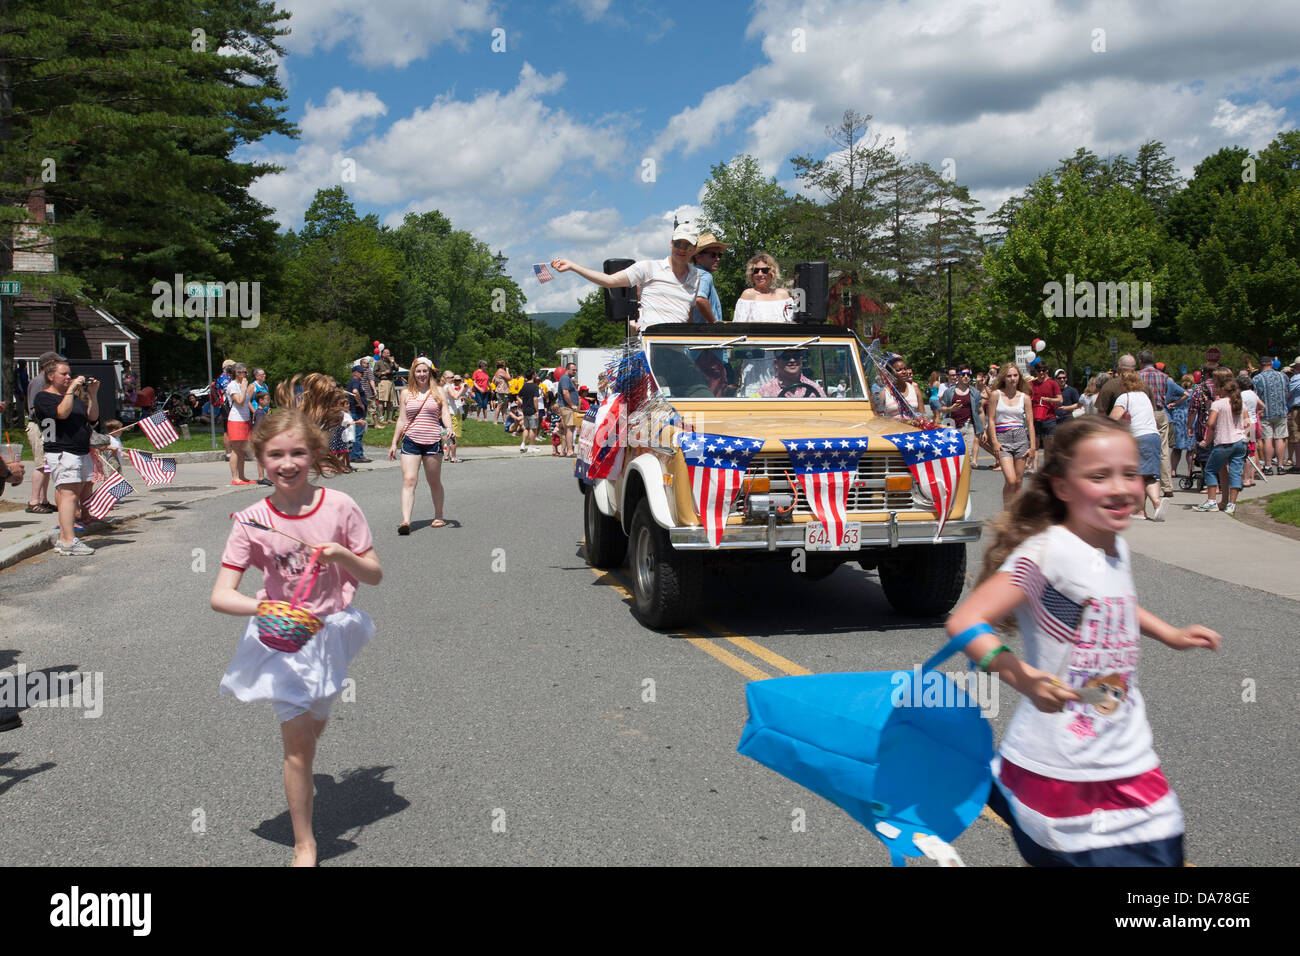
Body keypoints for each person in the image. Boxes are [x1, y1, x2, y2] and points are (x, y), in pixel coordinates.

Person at [944, 415, 1220, 866]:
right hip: (1061, 764)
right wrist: (1023, 677)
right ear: (1062, 488)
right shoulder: (1047, 551)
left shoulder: (1115, 545)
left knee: (1164, 846)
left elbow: (1110, 603)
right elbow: (966, 621)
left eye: (1130, 473)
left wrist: (1169, 633)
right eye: (1099, 476)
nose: (1120, 488)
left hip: (1125, 747)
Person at [211, 409, 382, 868]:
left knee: (317, 719)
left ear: (314, 455)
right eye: (275, 455)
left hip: (332, 632)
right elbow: (221, 597)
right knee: (298, 742)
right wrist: (266, 607)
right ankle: (305, 843)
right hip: (282, 640)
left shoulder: (341, 506)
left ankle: (307, 749)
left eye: (297, 453)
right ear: (260, 458)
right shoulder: (250, 519)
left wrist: (343, 554)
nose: (287, 464)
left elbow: (375, 575)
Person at [550, 224, 707, 331]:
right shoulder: (648, 268)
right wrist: (573, 266)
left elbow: (688, 316)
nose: (682, 249)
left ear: (694, 249)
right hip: (651, 346)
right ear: (671, 244)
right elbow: (610, 281)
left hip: (678, 347)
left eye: (687, 245)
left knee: (699, 382)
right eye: (678, 243)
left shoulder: (696, 276)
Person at [34, 357, 99, 556]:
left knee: (72, 494)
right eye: (64, 374)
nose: (68, 377)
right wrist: (71, 389)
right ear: (50, 376)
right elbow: (61, 413)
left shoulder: (75, 399)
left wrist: (93, 395)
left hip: (79, 451)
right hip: (62, 452)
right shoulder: (43, 398)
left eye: (69, 374)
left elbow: (93, 418)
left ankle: (64, 538)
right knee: (68, 495)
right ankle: (69, 540)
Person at [388, 357, 452, 534]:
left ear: (430, 372)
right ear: (413, 373)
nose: (421, 374)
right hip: (411, 441)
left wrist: (449, 428)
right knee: (409, 480)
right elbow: (402, 419)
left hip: (432, 440)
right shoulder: (406, 393)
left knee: (434, 481)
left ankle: (438, 515)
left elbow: (445, 412)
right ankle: (406, 521)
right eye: (418, 371)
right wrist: (394, 443)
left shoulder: (438, 391)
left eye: (424, 371)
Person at [1109, 370, 1164, 520]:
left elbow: (1113, 419)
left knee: (1138, 476)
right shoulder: (1144, 396)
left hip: (1137, 438)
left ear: (1124, 384)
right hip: (1153, 436)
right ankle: (1157, 503)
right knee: (1150, 475)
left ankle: (1140, 511)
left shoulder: (1124, 397)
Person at [1194, 371, 1248, 514]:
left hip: (1224, 442)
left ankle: (1211, 501)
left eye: (1218, 387)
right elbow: (1248, 423)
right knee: (1234, 473)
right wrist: (1246, 437)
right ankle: (1231, 504)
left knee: (1211, 470)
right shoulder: (1241, 404)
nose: (1216, 390)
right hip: (1240, 442)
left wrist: (1207, 438)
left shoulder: (1218, 404)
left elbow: (1210, 423)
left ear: (1224, 389)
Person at [988, 362, 1035, 509]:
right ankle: (1007, 510)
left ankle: (1016, 513)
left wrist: (1033, 446)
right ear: (1003, 378)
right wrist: (994, 442)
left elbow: (1030, 423)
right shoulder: (996, 395)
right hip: (1003, 438)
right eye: (1009, 376)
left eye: (1015, 375)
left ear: (1019, 377)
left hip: (1021, 437)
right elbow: (991, 420)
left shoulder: (1024, 398)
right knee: (1011, 480)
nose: (1012, 378)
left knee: (1019, 481)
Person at [24, 349, 62, 514]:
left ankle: (44, 500)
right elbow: (34, 409)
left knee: (47, 464)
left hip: (47, 425)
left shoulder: (46, 380)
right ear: (49, 365)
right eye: (56, 363)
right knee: (41, 464)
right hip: (39, 426)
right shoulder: (40, 381)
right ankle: (34, 501)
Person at [1137, 351, 1174, 498]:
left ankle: (1145, 480)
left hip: (1143, 412)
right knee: (1164, 449)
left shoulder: (1138, 376)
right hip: (1160, 411)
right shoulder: (1164, 377)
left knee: (1142, 448)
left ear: (1141, 361)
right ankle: (1167, 486)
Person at [939, 366, 982, 470]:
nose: (966, 377)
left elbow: (980, 411)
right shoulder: (949, 392)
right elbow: (942, 408)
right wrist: (950, 409)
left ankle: (965, 482)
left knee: (967, 456)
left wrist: (982, 428)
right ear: (958, 376)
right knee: (952, 456)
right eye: (963, 374)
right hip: (951, 426)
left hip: (969, 426)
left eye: (968, 374)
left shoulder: (975, 393)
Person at [1250, 357, 1288, 475]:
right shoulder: (1283, 376)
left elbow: (1254, 396)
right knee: (1280, 438)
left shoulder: (1257, 378)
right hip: (1281, 411)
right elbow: (1287, 392)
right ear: (1271, 364)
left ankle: (1268, 466)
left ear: (1260, 365)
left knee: (1267, 439)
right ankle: (1281, 465)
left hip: (1265, 412)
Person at [732, 253, 794, 323]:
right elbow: (738, 326)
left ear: (772, 272)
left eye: (765, 270)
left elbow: (792, 322)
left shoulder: (783, 295)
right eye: (756, 271)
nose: (760, 274)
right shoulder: (747, 295)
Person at [225, 363, 256, 485]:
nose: (246, 374)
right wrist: (244, 388)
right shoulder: (233, 385)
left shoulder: (241, 384)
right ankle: (235, 477)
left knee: (242, 449)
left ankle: (242, 476)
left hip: (244, 419)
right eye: (244, 372)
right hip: (235, 419)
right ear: (237, 373)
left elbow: (247, 402)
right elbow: (239, 401)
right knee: (236, 449)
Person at [690, 233, 728, 323]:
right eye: (713, 255)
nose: (717, 259)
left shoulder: (689, 276)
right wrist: (714, 323)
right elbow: (700, 299)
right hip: (707, 334)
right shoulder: (705, 275)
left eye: (720, 255)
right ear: (698, 257)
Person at [757, 349, 826, 397]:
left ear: (801, 361)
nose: (792, 360)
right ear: (776, 363)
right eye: (786, 357)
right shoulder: (765, 390)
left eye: (796, 357)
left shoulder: (815, 387)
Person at [1028, 359, 1062, 448]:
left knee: (1049, 447)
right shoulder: (1031, 384)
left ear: (1046, 370)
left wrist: (1048, 399)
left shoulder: (1052, 383)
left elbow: (1060, 400)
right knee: (1034, 446)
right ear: (1035, 371)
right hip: (1035, 418)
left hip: (1049, 419)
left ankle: (1048, 462)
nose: (1041, 373)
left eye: (1043, 370)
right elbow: (1026, 399)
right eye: (1039, 371)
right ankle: (1034, 463)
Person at [1168, 374, 1194, 479]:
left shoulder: (1177, 393)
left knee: (1176, 448)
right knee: (1190, 449)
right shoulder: (1194, 393)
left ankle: (1173, 470)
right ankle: (1189, 471)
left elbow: (1169, 402)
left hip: (1178, 418)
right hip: (1190, 418)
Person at [347, 367, 371, 466]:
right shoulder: (355, 381)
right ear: (355, 373)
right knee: (358, 433)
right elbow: (355, 392)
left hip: (356, 411)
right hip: (357, 411)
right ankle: (357, 455)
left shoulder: (355, 381)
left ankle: (353, 455)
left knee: (356, 433)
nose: (362, 374)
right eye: (361, 372)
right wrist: (360, 404)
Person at [557, 361, 581, 457]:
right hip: (567, 407)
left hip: (568, 407)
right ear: (567, 369)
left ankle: (566, 451)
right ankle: (570, 451)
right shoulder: (565, 379)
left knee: (569, 429)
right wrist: (572, 405)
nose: (575, 372)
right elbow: (565, 392)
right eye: (573, 370)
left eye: (576, 370)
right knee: (570, 429)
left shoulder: (567, 379)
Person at [441, 371, 463, 462]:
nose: (453, 379)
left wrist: (464, 388)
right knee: (453, 435)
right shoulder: (448, 387)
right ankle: (453, 457)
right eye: (452, 377)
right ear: (447, 378)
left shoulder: (443, 387)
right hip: (452, 412)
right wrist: (462, 389)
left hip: (447, 412)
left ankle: (447, 455)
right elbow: (455, 396)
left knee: (447, 435)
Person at [518, 369, 542, 452]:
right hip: (532, 410)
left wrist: (523, 402)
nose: (535, 375)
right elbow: (535, 399)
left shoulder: (524, 386)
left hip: (525, 409)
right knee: (533, 428)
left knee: (526, 428)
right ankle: (531, 446)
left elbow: (518, 396)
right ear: (532, 375)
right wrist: (537, 410)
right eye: (535, 374)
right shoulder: (535, 386)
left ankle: (523, 444)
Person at [374, 348, 397, 425]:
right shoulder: (378, 363)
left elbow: (397, 368)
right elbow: (375, 372)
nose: (388, 354)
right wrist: (384, 372)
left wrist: (393, 362)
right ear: (382, 354)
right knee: (382, 400)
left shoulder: (391, 362)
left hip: (391, 381)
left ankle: (388, 418)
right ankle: (381, 418)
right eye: (386, 353)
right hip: (383, 381)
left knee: (390, 401)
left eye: (389, 353)